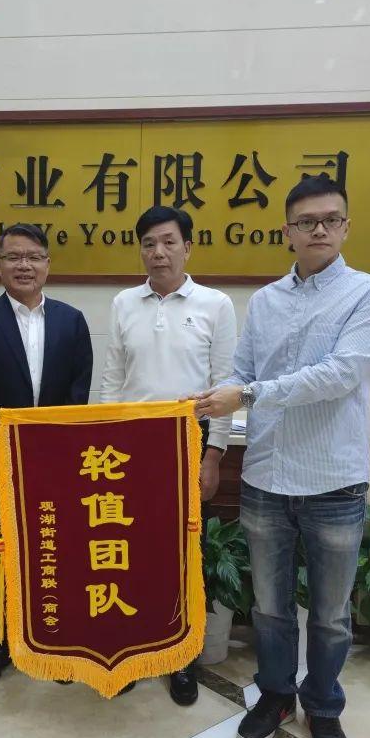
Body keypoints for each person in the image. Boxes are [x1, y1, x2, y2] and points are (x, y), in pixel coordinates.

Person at [192, 175, 370, 738]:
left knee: (330, 615)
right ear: (288, 231)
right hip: (266, 479)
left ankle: (323, 707)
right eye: (307, 221)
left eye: (330, 219)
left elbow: (341, 374)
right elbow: (240, 372)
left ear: (346, 226)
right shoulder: (265, 301)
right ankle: (276, 695)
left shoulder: (369, 294)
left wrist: (248, 393)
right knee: (270, 607)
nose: (319, 229)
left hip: (334, 480)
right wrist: (212, 405)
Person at [100, 204, 237, 705]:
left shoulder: (216, 305)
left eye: (168, 242)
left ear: (187, 247)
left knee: (180, 555)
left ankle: (180, 657)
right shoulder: (123, 303)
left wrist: (213, 454)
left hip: (187, 442)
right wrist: (105, 447)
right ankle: (134, 653)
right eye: (149, 244)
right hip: (129, 447)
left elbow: (225, 385)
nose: (158, 252)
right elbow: (112, 381)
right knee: (129, 552)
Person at [0, 223, 93, 690]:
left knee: (56, 551)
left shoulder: (72, 321)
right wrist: (12, 439)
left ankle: (57, 641)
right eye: (14, 257)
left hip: (57, 465)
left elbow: (78, 392)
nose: (24, 265)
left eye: (34, 257)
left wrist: (50, 444)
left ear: (48, 265)